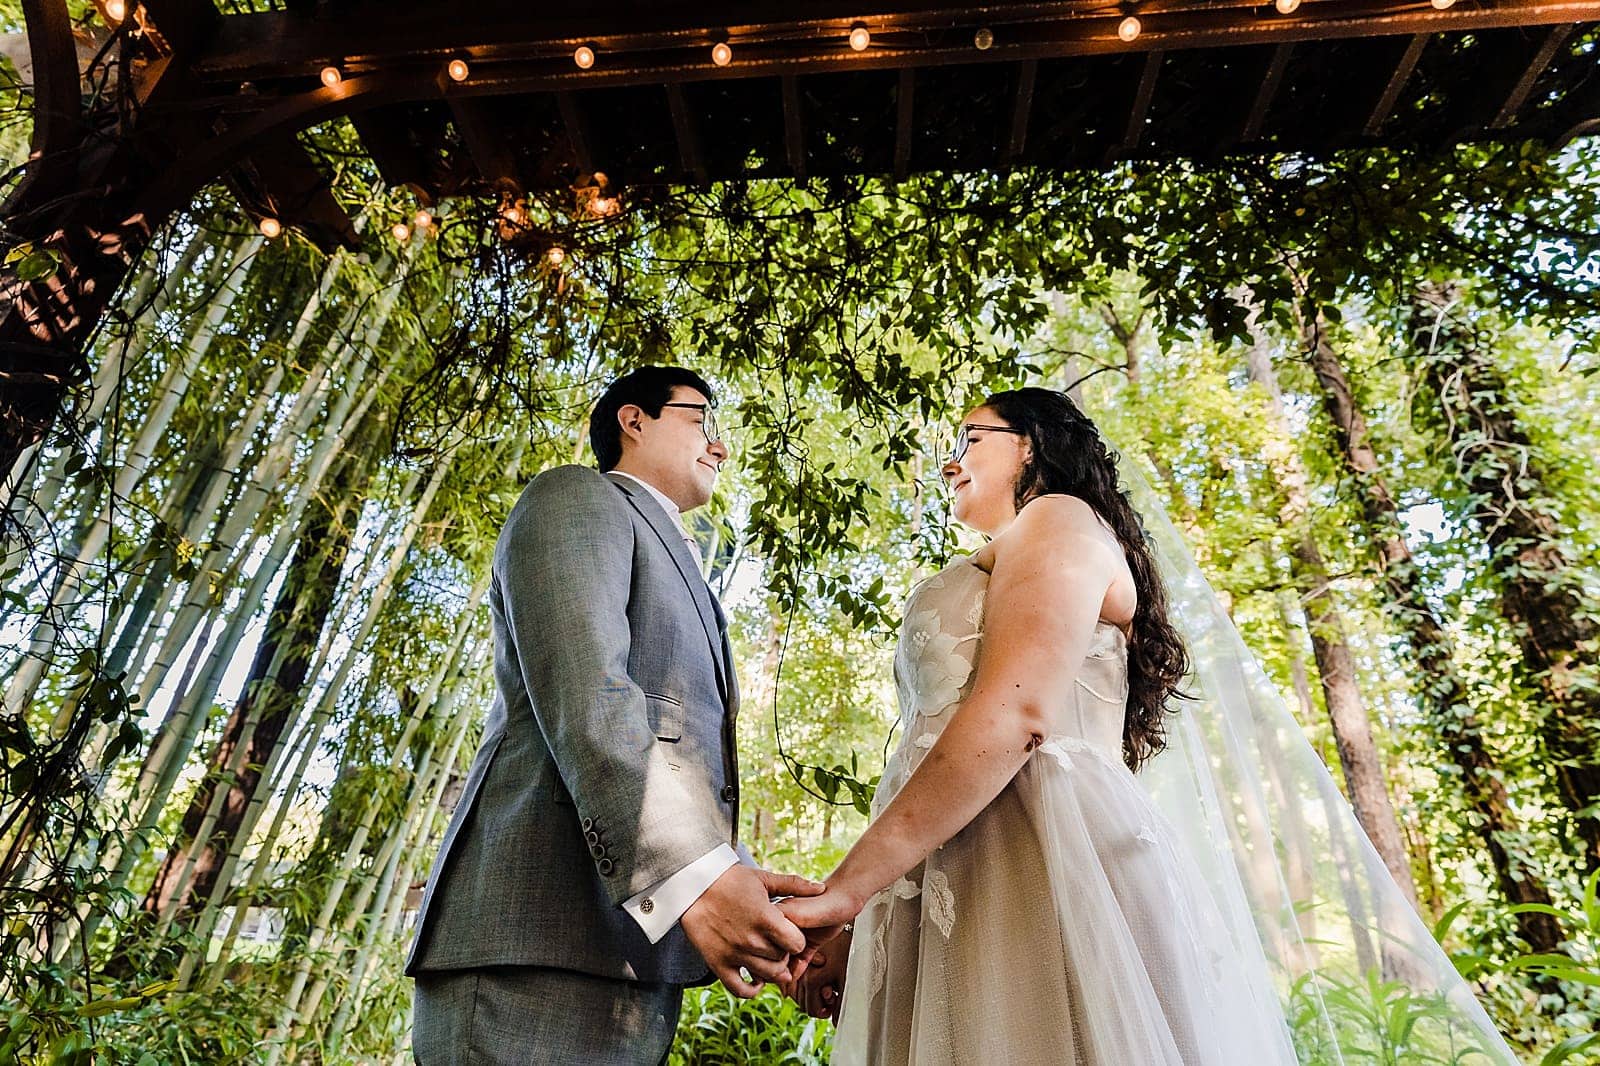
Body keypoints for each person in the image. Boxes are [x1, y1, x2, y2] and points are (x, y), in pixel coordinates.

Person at [778, 387, 1299, 1064]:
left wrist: (846, 894)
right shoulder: (1021, 542)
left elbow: (1016, 715)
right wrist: (872, 921)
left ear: (1032, 443)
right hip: (959, 872)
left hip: (1039, 866)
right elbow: (936, 744)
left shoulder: (1057, 517)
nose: (950, 462)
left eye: (971, 439)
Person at [405, 366, 822, 1065]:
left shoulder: (693, 573)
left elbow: (674, 763)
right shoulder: (576, 497)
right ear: (634, 420)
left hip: (631, 964)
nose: (720, 449)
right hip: (534, 948)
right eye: (702, 422)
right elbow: (593, 699)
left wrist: (771, 921)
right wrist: (698, 878)